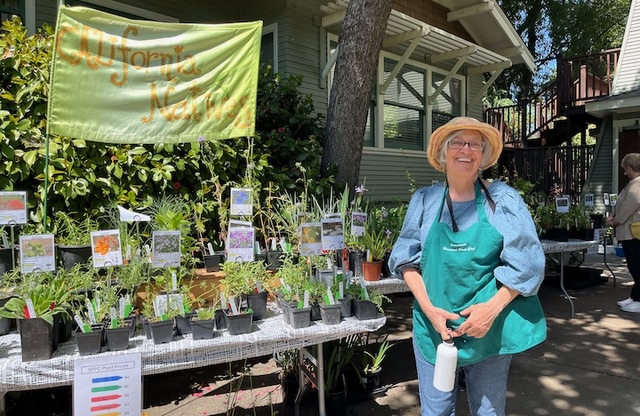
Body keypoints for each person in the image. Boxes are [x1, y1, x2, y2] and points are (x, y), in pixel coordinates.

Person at [389, 117, 547, 416]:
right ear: (443, 152)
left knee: (488, 412)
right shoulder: (425, 200)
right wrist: (430, 311)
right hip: (434, 330)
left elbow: (527, 264)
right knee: (436, 412)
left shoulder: (502, 200)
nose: (466, 149)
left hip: (488, 330)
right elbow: (405, 262)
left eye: (475, 144)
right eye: (458, 142)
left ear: (484, 155)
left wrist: (490, 310)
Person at [607, 153, 640, 312]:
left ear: (630, 168)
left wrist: (615, 220)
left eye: (625, 169)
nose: (624, 172)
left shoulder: (637, 184)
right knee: (634, 266)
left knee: (637, 266)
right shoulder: (633, 183)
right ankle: (634, 297)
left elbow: (628, 207)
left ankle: (639, 300)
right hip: (628, 232)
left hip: (632, 233)